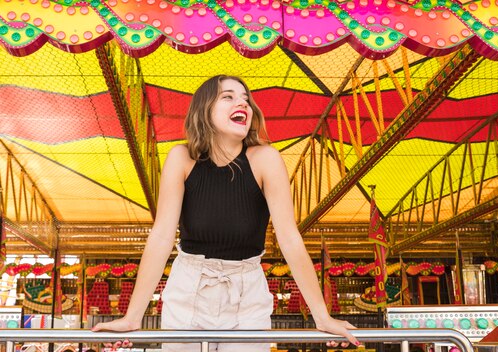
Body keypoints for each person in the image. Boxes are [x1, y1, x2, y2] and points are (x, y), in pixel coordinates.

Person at [92, 75, 359, 351]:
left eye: (246, 99)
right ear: (204, 109)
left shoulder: (266, 159)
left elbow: (289, 238)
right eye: (228, 96)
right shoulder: (181, 158)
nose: (242, 103)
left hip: (247, 291)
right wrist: (133, 316)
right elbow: (161, 236)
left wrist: (322, 315)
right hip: (189, 286)